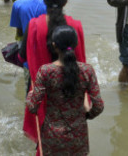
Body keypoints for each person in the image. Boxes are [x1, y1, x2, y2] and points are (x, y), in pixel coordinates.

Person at [19, 0, 86, 144]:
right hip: (69, 85)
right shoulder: (75, 25)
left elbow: (22, 57)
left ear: (45, 1)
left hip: (40, 87)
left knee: (42, 137)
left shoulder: (34, 25)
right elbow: (81, 61)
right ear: (65, 2)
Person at [26, 25, 104, 156]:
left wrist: (30, 95)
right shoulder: (87, 71)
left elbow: (33, 107)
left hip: (53, 136)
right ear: (76, 44)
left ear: (54, 45)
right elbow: (98, 106)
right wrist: (85, 117)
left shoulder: (46, 71)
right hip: (78, 134)